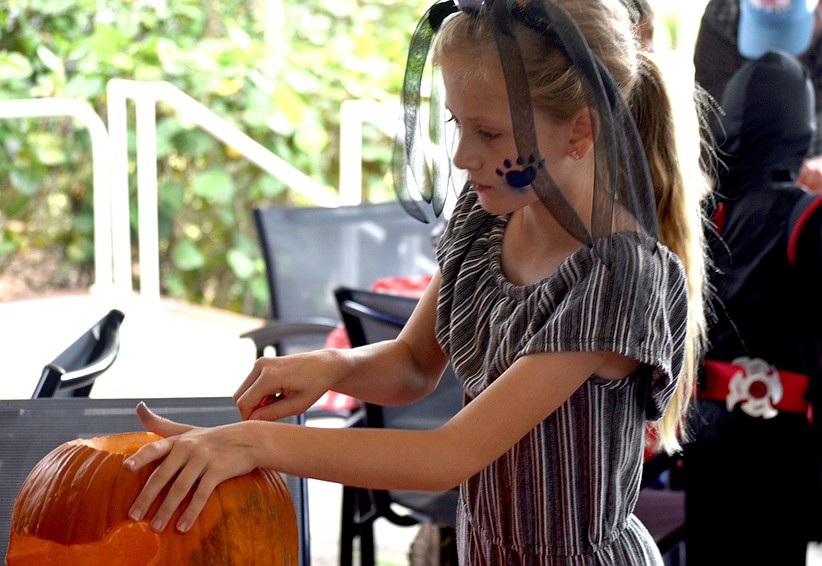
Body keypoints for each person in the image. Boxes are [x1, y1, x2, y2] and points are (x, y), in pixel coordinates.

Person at [123, 0, 711, 563]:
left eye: (490, 133)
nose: (461, 156)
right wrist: (338, 369)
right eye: (457, 124)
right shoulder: (488, 219)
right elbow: (412, 363)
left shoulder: (621, 275)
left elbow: (449, 455)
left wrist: (251, 444)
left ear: (579, 131)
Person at [683, 49, 822, 565]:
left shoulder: (704, 215)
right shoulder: (801, 216)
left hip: (705, 436)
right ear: (798, 130)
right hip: (775, 446)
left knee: (711, 552)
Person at [693, 0, 822, 202]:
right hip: (750, 171)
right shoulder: (722, 20)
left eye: (789, 36)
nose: (780, 59)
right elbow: (717, 136)